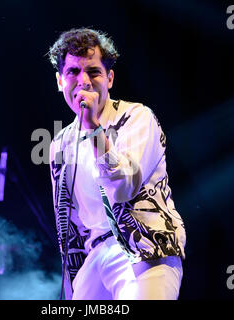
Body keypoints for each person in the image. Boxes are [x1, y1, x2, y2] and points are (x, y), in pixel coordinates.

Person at [48, 28, 186, 300]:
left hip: (146, 247)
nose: (83, 81)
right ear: (60, 81)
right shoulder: (59, 144)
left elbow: (123, 188)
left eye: (94, 71)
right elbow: (68, 225)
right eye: (73, 72)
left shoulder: (136, 117)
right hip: (96, 254)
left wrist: (92, 127)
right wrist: (70, 286)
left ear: (109, 78)